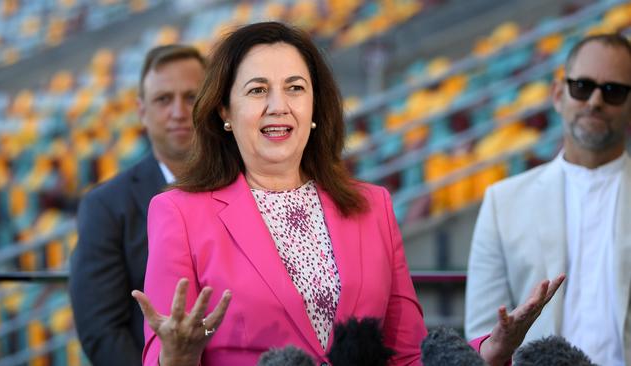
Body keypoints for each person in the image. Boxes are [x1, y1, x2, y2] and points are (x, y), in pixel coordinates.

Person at [132, 22, 563, 366]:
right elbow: (163, 352)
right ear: (225, 110)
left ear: (316, 108)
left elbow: (408, 354)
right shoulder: (179, 212)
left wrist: (489, 352)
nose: (278, 105)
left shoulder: (372, 206)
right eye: (258, 90)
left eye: (295, 88)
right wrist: (179, 354)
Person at [465, 33, 631, 366]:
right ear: (558, 94)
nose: (595, 101)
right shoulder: (503, 203)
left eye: (613, 91)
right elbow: (482, 339)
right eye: (581, 87)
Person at [69, 44, 207, 366]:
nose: (178, 111)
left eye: (191, 97)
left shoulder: (248, 183)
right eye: (163, 99)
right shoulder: (104, 207)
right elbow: (101, 330)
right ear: (142, 112)